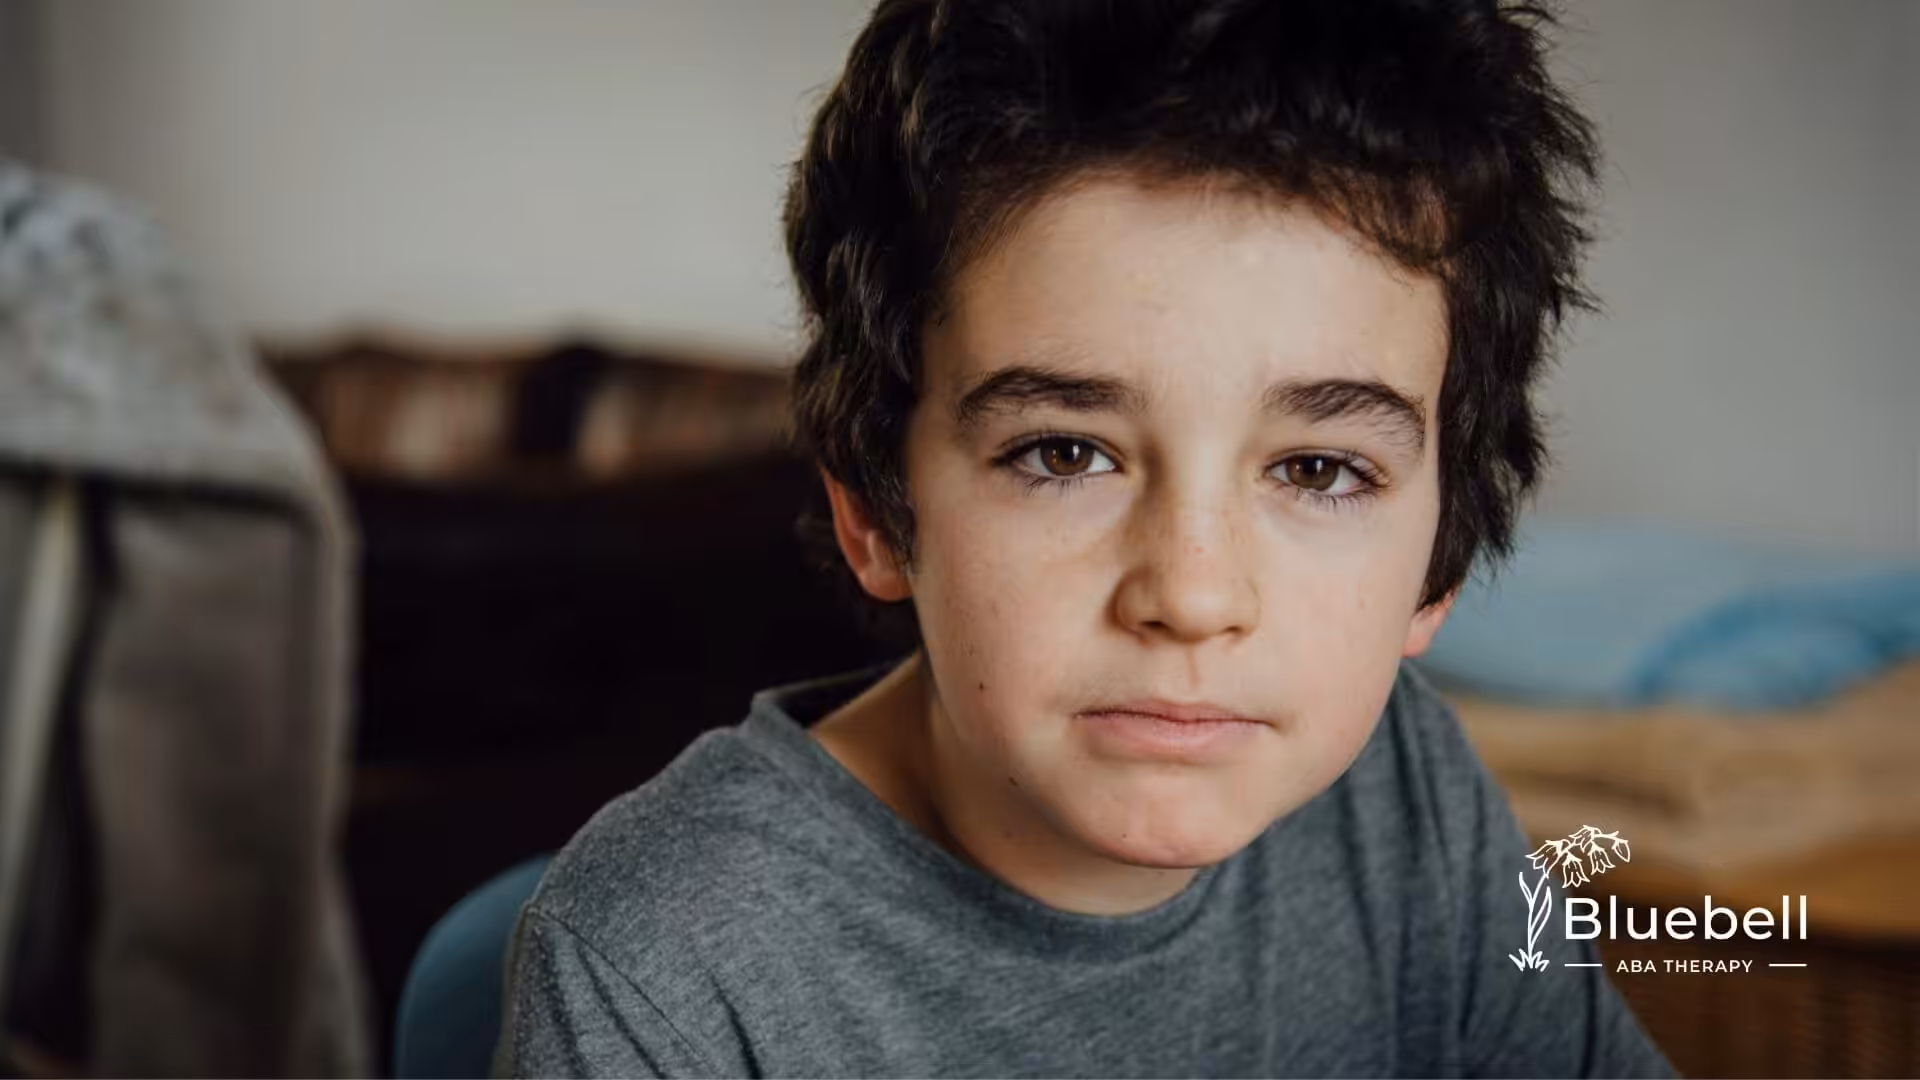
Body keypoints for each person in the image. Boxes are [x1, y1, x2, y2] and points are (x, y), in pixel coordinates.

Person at [497, 0, 1677, 1075]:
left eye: (1319, 470)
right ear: (873, 507)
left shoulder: (1402, 789)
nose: (1193, 594)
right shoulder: (662, 968)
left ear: (1440, 564)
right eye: (1065, 454)